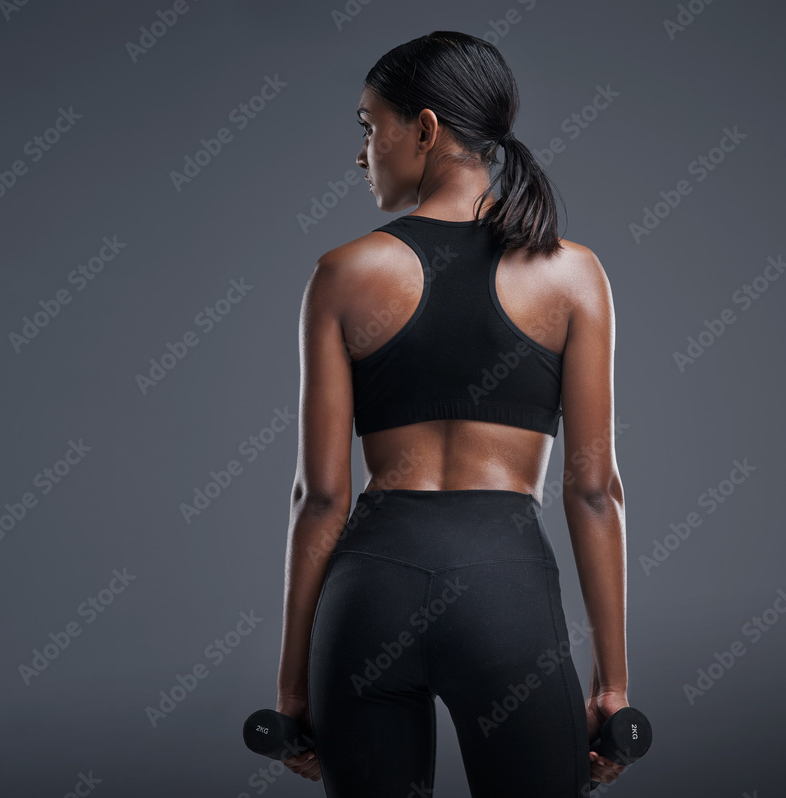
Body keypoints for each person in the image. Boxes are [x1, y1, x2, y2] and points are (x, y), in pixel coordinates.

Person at [274, 31, 630, 797]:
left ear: (425, 129)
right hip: (504, 598)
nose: (361, 153)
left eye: (369, 129)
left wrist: (294, 685)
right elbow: (595, 489)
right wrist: (612, 686)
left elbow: (322, 497)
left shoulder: (341, 274)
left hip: (368, 596)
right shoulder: (572, 274)